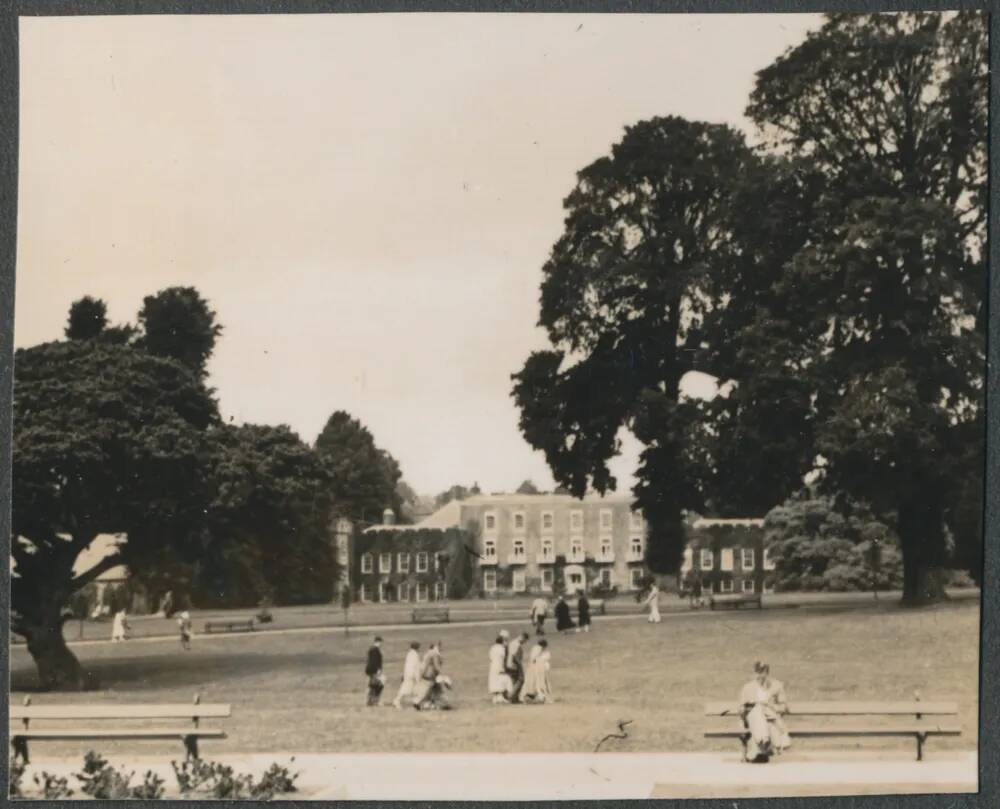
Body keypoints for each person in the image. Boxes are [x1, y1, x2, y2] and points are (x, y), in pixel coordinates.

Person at [739, 661, 790, 762]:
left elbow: (784, 707)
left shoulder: (776, 686)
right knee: (757, 711)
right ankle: (766, 743)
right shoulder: (747, 688)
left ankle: (760, 747)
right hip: (752, 719)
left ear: (767, 673)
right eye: (758, 672)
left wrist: (770, 705)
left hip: (769, 719)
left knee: (763, 719)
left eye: (763, 672)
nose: (760, 675)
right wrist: (745, 709)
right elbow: (741, 708)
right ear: (754, 673)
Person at [414, 641, 451, 710]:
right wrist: (442, 675)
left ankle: (445, 704)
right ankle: (417, 702)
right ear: (437, 646)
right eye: (440, 646)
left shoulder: (429, 653)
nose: (441, 648)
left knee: (438, 691)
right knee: (426, 692)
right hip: (430, 676)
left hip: (429, 675)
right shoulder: (434, 654)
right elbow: (436, 665)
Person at [393, 641, 422, 709]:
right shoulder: (415, 655)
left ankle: (415, 702)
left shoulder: (410, 654)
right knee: (406, 689)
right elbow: (416, 667)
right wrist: (417, 677)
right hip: (411, 675)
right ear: (416, 648)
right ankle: (397, 701)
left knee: (410, 689)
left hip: (408, 674)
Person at [523, 639, 552, 703]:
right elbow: (534, 659)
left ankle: (535, 696)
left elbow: (533, 659)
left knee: (535, 683)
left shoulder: (536, 648)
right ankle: (540, 696)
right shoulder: (538, 648)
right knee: (539, 683)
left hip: (534, 668)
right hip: (537, 668)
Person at [506, 631, 529, 702]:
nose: (524, 642)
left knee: (514, 680)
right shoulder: (517, 644)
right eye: (525, 641)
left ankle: (514, 699)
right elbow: (515, 656)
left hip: (508, 664)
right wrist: (520, 665)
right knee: (521, 679)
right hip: (514, 664)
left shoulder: (512, 643)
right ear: (523, 638)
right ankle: (511, 696)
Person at [488, 635, 511, 704]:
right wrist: (502, 668)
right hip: (499, 665)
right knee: (500, 680)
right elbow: (502, 658)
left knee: (494, 680)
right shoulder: (501, 648)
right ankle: (500, 697)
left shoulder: (493, 647)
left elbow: (490, 657)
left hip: (493, 665)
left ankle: (495, 698)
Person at [365, 636, 385, 707]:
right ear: (378, 642)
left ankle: (370, 701)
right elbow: (374, 661)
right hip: (374, 670)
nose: (381, 644)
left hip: (371, 670)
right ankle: (375, 701)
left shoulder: (372, 649)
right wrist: (377, 670)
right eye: (380, 642)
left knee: (373, 685)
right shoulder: (375, 650)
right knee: (378, 685)